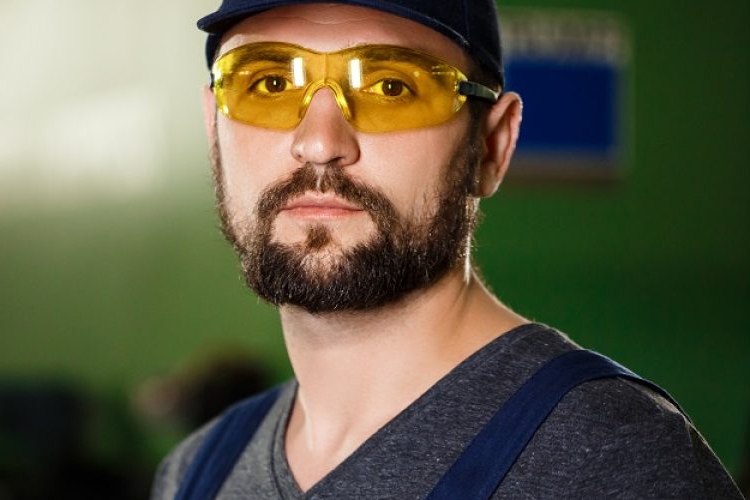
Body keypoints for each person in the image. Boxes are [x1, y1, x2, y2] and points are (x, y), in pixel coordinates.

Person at [151, 1, 744, 498]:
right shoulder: (197, 473)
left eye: (391, 86)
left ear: (491, 146)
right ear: (213, 129)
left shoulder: (610, 461)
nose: (318, 143)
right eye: (270, 84)